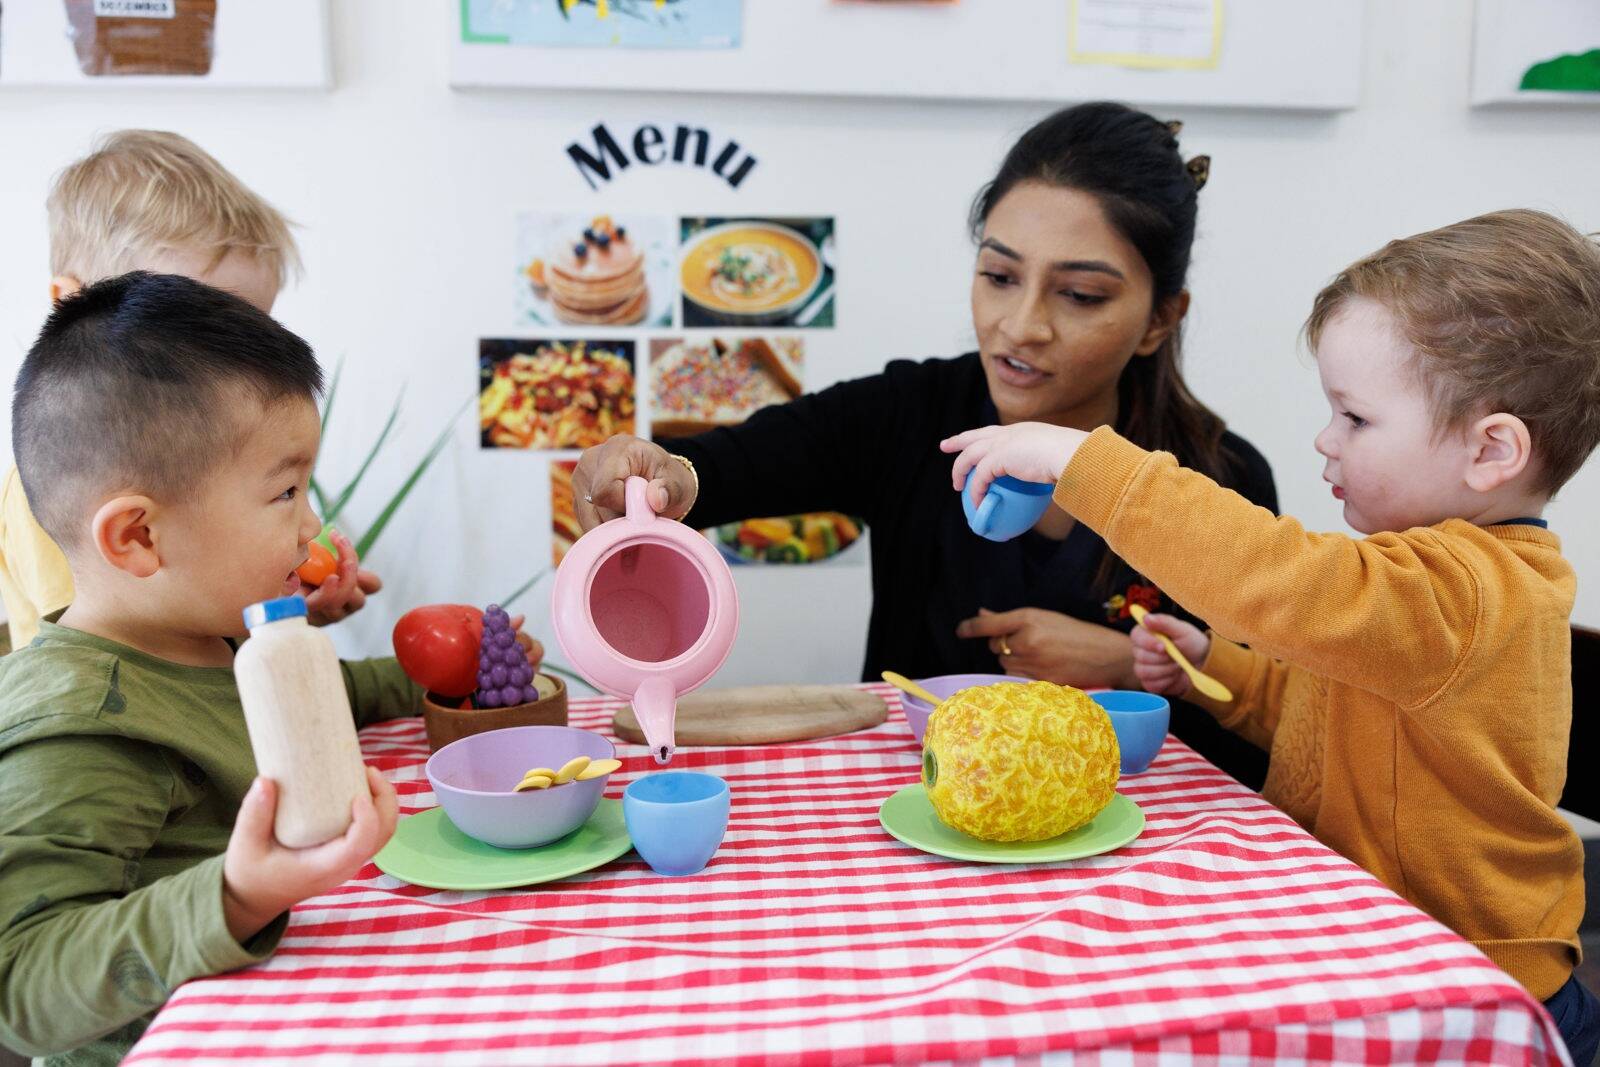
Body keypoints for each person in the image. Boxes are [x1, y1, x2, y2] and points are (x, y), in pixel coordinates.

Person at [941, 208, 1600, 1066]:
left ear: (1491, 451)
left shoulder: (1468, 592)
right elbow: (1333, 710)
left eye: (1356, 419)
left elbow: (1279, 580)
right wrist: (1225, 673)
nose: (1326, 440)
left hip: (1472, 984)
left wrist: (1087, 465)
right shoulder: (1420, 589)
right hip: (1373, 941)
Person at [574, 102, 1277, 786]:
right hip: (921, 823)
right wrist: (668, 477)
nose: (1021, 326)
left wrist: (1131, 668)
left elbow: (1266, 734)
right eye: (999, 277)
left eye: (1081, 295)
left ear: (1159, 320)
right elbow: (729, 468)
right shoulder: (910, 416)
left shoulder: (1224, 478)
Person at [0, 274, 416, 1064]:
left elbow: (301, 702)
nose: (311, 526)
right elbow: (18, 987)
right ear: (139, 538)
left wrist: (417, 682)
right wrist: (237, 893)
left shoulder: (205, 640)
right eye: (286, 491)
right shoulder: (85, 726)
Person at [0, 130, 380, 651]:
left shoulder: (210, 450)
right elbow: (112, 649)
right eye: (191, 323)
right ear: (74, 304)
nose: (235, 356)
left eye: (250, 328)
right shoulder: (48, 496)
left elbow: (204, 621)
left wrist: (292, 602)